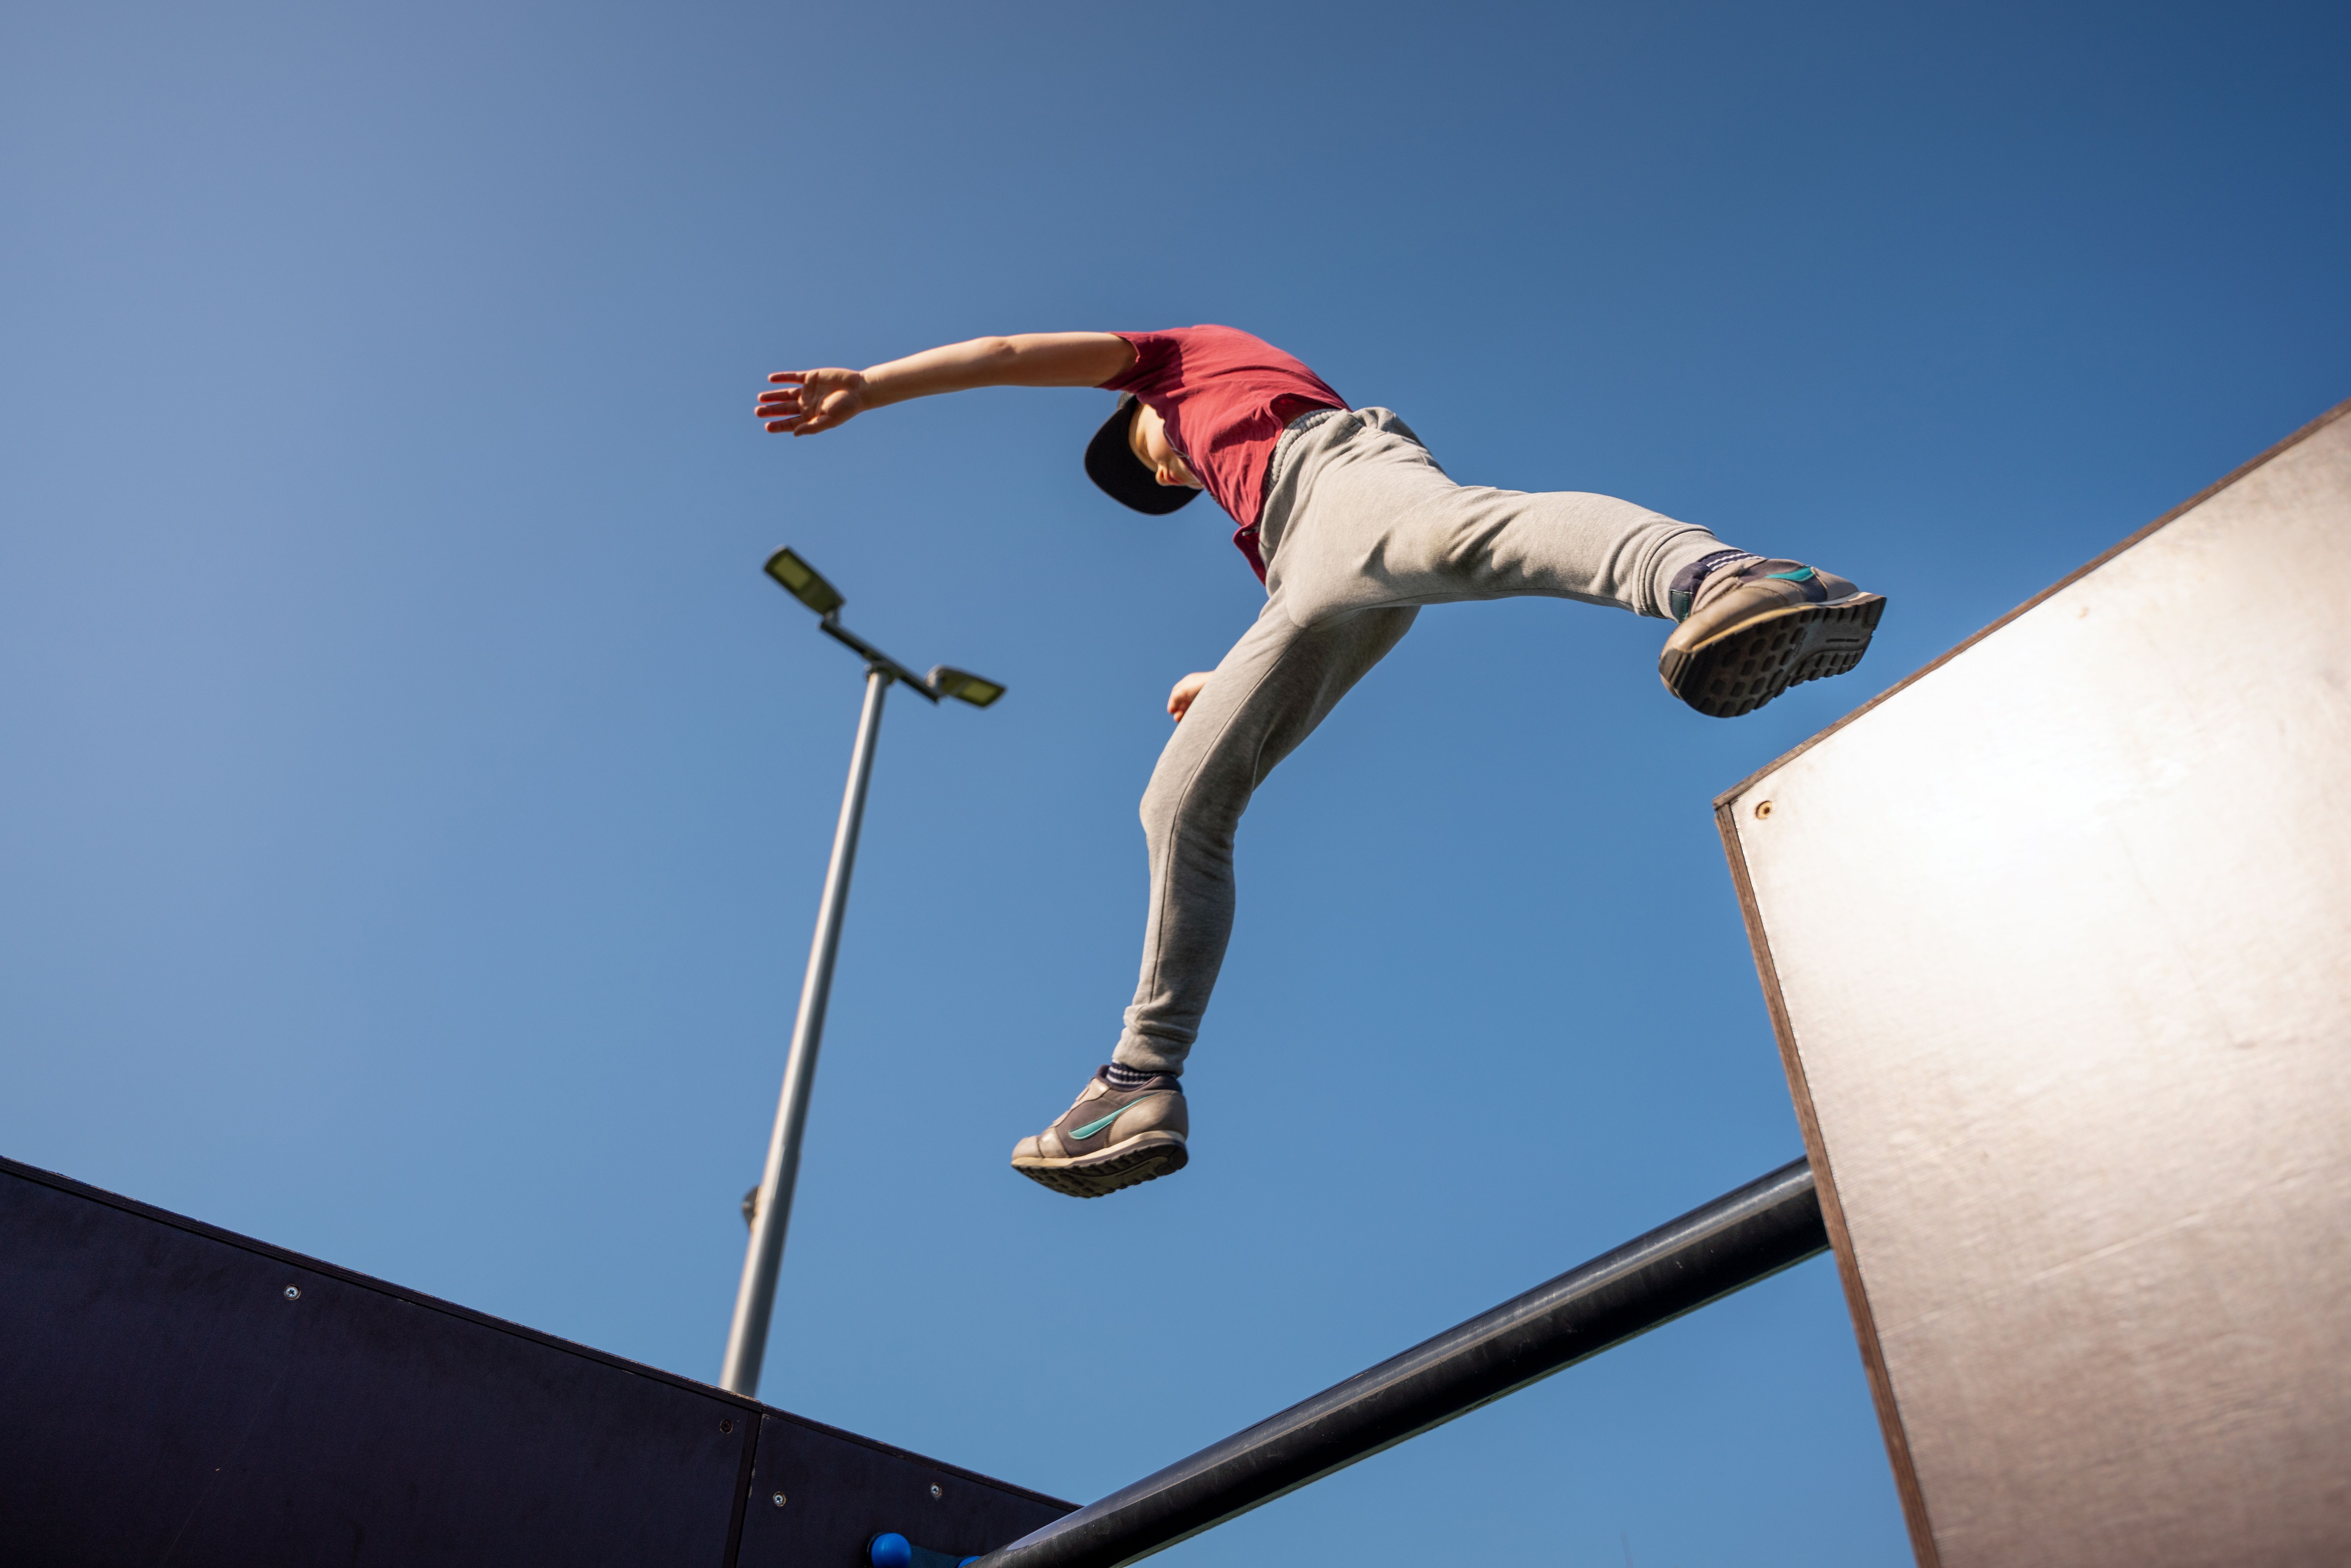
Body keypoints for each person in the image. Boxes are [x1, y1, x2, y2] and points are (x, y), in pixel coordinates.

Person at [755, 327, 1883, 1199]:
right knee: (1181, 798)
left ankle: (1729, 577)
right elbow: (1305, 592)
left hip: (1339, 475)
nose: (1170, 476)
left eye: (1155, 461)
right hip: (1312, 568)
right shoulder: (1244, 506)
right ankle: (1139, 1087)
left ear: (1148, 412)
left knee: (1476, 533)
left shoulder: (1180, 365)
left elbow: (1010, 358)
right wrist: (1221, 677)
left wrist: (875, 385)